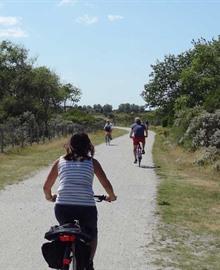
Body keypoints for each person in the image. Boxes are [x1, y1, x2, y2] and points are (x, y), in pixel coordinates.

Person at [43, 132, 117, 270]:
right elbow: (106, 184)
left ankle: (64, 253)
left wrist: (50, 197)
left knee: (64, 230)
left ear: (70, 145)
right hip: (86, 208)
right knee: (92, 233)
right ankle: (89, 262)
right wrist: (111, 196)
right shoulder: (92, 162)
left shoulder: (60, 161)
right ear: (88, 146)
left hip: (63, 207)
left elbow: (46, 187)